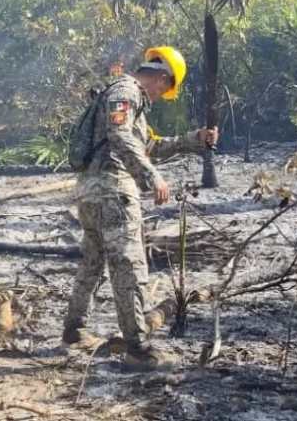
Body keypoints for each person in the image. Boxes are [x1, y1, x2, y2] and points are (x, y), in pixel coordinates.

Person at [62, 46, 219, 370]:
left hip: (92, 194)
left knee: (92, 263)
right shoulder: (125, 91)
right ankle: (138, 348)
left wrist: (194, 139)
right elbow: (120, 134)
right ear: (162, 78)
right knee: (130, 267)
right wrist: (151, 176)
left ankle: (74, 332)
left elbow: (147, 145)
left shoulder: (125, 97)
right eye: (166, 89)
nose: (162, 95)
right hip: (112, 192)